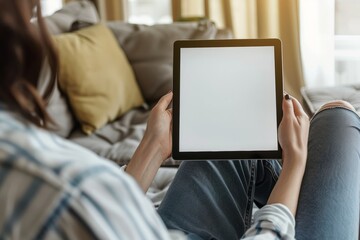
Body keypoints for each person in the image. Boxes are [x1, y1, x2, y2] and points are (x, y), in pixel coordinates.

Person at [0, 1, 359, 239]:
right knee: (336, 116)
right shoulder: (64, 186)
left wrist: (152, 149)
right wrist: (294, 165)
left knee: (227, 137)